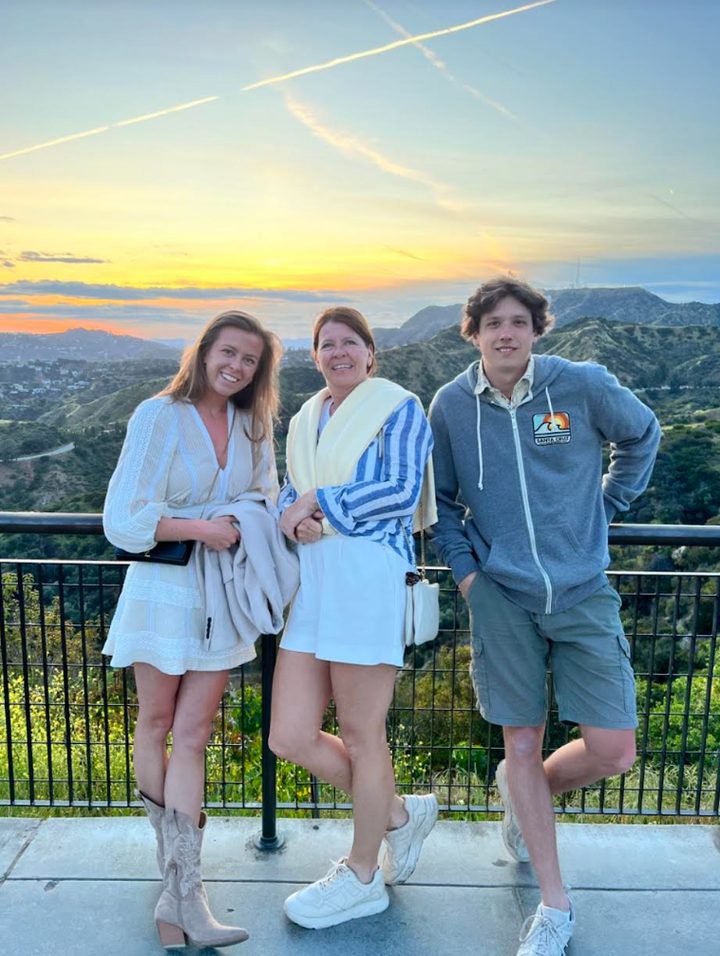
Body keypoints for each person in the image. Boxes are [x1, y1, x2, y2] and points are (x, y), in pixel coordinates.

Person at [428, 276, 661, 956]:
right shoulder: (449, 406)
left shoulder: (579, 385)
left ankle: (521, 793)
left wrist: (608, 504)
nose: (506, 332)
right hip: (501, 596)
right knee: (522, 742)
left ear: (536, 330)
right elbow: (440, 503)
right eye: (493, 321)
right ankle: (554, 906)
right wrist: (469, 576)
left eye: (519, 321)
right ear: (472, 331)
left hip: (583, 590)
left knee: (615, 749)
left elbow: (642, 436)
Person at [103, 310, 283, 949]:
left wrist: (275, 516)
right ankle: (175, 883)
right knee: (154, 724)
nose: (236, 368)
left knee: (195, 731)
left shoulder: (253, 427)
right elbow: (122, 520)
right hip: (162, 589)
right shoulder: (158, 416)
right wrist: (200, 526)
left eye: (249, 361)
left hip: (220, 594)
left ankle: (185, 893)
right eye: (228, 353)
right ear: (204, 350)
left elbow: (268, 497)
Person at [269, 306, 438, 930]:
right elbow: (290, 488)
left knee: (365, 735)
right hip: (315, 580)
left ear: (371, 353)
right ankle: (395, 814)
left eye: (349, 342)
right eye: (325, 344)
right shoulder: (310, 416)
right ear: (314, 357)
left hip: (368, 577)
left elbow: (398, 489)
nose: (337, 352)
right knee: (288, 733)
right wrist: (293, 514)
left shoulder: (398, 406)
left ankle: (364, 873)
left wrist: (317, 504)